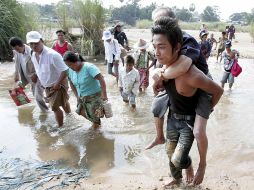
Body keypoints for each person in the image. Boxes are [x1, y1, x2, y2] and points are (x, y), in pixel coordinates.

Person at [147, 6, 216, 186]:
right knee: (156, 106)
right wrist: (157, 77)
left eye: (163, 21)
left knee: (199, 131)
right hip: (175, 85)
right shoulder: (160, 42)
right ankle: (159, 137)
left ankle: (201, 165)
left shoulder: (186, 40)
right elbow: (157, 65)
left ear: (175, 23)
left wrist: (161, 74)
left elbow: (183, 66)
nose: (159, 26)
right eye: (156, 23)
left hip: (200, 84)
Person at [26, 31, 71, 127]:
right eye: (31, 44)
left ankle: (60, 128)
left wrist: (57, 83)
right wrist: (35, 75)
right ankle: (70, 117)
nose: (34, 46)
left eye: (36, 43)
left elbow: (66, 70)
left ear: (42, 41)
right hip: (47, 85)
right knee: (63, 102)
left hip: (58, 84)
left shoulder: (52, 55)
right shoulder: (33, 54)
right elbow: (39, 69)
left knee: (54, 107)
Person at [63, 51, 108, 129]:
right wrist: (77, 96)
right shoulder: (70, 71)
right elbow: (71, 83)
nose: (69, 67)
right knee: (79, 111)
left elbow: (101, 79)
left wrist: (104, 95)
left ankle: (97, 130)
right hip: (82, 97)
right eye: (67, 65)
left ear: (76, 61)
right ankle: (97, 124)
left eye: (70, 64)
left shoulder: (89, 67)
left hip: (95, 97)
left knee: (95, 120)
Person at [9, 37, 48, 112]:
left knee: (38, 98)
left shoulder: (32, 51)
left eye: (17, 49)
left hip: (37, 77)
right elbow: (16, 64)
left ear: (21, 45)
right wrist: (16, 75)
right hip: (28, 79)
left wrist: (36, 74)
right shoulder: (17, 52)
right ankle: (47, 102)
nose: (16, 51)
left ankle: (46, 113)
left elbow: (41, 64)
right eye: (15, 49)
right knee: (36, 96)